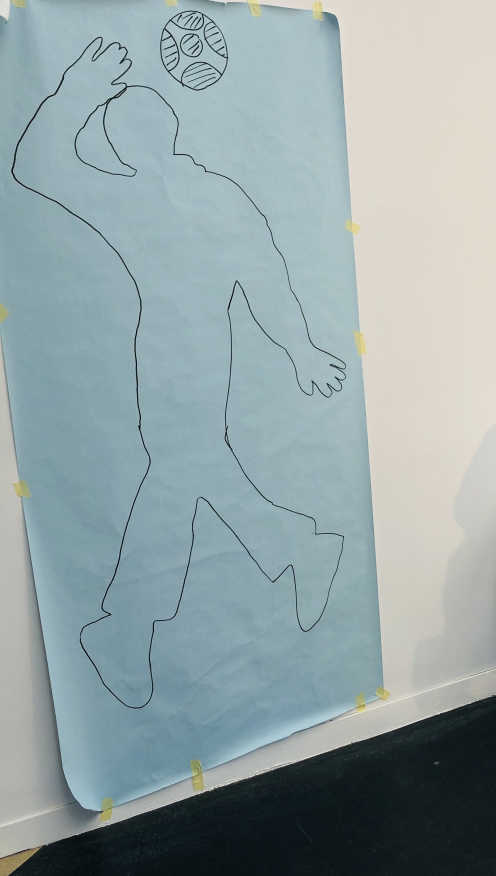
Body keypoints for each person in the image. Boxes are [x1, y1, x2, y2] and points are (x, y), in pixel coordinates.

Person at [12, 38, 347, 708]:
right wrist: (301, 349)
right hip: (207, 360)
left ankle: (128, 627)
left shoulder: (131, 196)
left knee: (175, 473)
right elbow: (269, 282)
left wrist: (75, 90)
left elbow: (34, 164)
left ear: (119, 145)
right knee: (195, 468)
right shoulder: (221, 194)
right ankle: (298, 550)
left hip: (165, 363)